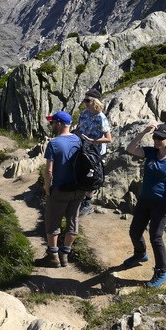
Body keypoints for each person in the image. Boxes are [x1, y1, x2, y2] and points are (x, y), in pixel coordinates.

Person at [123, 123, 166, 288]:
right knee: (134, 231)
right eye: (155, 137)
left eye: (160, 138)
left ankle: (161, 272)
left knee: (156, 237)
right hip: (144, 200)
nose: (156, 140)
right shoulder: (150, 152)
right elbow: (130, 148)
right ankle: (140, 254)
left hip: (161, 204)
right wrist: (144, 132)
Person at [41, 111, 83, 268]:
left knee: (53, 222)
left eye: (52, 123)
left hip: (59, 189)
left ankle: (53, 257)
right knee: (73, 220)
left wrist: (47, 189)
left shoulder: (54, 143)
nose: (51, 125)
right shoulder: (78, 140)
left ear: (58, 124)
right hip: (78, 189)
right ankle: (65, 254)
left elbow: (48, 171)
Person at [76, 89, 112, 216]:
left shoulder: (101, 117)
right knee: (80, 171)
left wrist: (93, 140)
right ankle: (80, 199)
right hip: (83, 147)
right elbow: (79, 128)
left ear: (95, 101)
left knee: (91, 175)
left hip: (95, 151)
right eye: (85, 100)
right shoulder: (84, 113)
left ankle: (87, 202)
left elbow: (108, 138)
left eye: (88, 100)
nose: (85, 103)